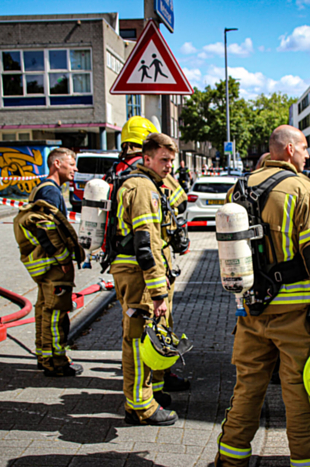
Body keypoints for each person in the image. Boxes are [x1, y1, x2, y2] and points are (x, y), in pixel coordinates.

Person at [214, 125, 310, 466]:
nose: (307, 155)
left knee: (246, 390)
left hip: (251, 311)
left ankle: (229, 460)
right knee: (300, 395)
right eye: (304, 148)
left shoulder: (237, 189)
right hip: (295, 316)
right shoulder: (303, 189)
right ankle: (307, 462)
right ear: (289, 149)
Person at [107, 116, 190, 394]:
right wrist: (157, 292)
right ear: (147, 158)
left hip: (142, 270)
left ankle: (155, 389)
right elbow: (146, 243)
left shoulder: (149, 183)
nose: (169, 166)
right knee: (139, 338)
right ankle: (141, 404)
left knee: (154, 333)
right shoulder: (144, 188)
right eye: (164, 160)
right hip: (139, 272)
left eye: (171, 161)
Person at [13, 147, 84, 377]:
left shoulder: (42, 189)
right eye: (71, 164)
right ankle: (56, 362)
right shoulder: (51, 192)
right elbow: (46, 228)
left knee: (45, 310)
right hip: (54, 267)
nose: (75, 169)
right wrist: (63, 259)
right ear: (56, 164)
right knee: (56, 314)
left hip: (46, 265)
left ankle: (44, 356)